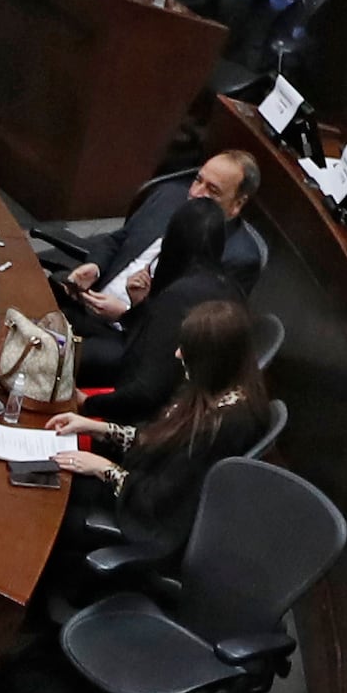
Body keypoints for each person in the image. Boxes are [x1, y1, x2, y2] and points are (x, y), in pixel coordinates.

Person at [41, 295, 271, 585]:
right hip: (141, 483)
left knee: (50, 509)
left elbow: (158, 499)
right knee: (54, 480)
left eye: (187, 350)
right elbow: (159, 438)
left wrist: (103, 468)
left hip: (152, 519)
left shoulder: (219, 427)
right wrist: (97, 428)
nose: (177, 354)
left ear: (211, 360)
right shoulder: (219, 388)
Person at [66, 149, 265, 383]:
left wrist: (128, 312)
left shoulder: (239, 258)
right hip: (89, 300)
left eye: (212, 191)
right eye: (198, 180)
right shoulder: (168, 196)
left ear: (237, 204)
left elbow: (188, 330)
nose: (195, 193)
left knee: (59, 355)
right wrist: (95, 266)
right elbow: (118, 239)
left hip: (129, 340)